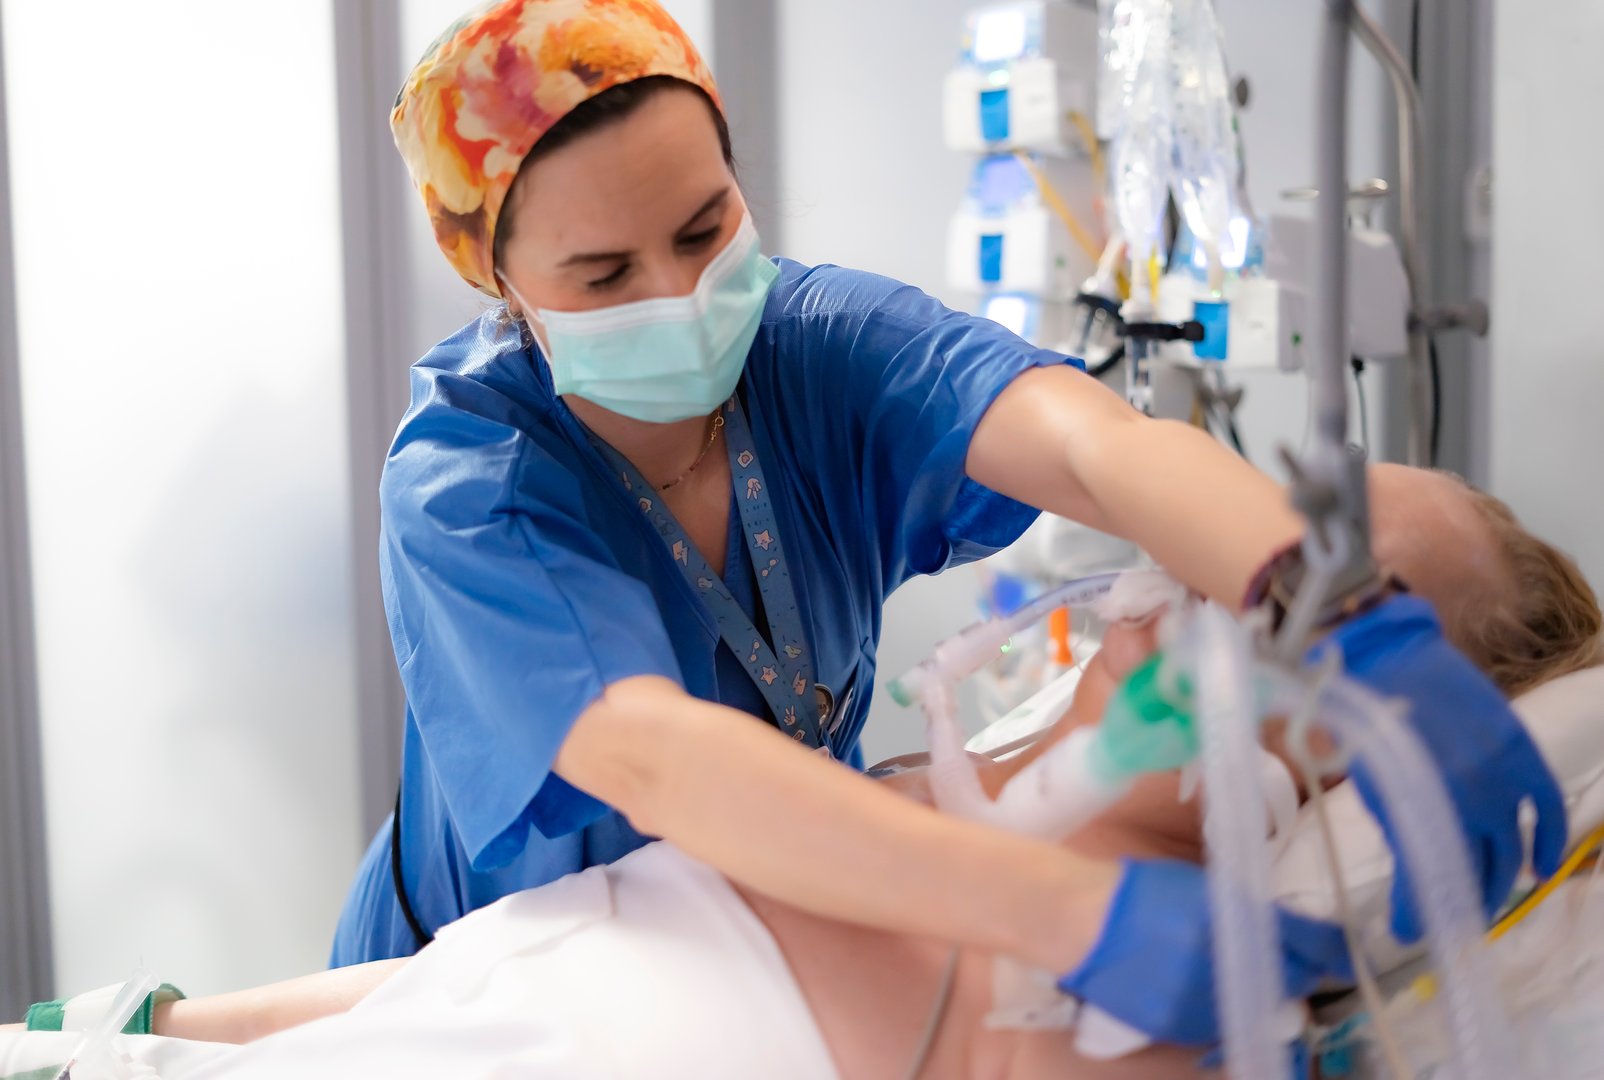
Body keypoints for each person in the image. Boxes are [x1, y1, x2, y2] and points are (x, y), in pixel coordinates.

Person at [335, 0, 1564, 1037]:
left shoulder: (815, 348)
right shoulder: (473, 479)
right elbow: (656, 759)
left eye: (706, 229)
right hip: (475, 981)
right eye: (603, 277)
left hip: (766, 956)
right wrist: (1065, 916)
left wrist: (1335, 605)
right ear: (498, 280)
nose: (681, 294)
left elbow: (1097, 446)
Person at [7, 465, 1597, 1079]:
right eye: (1246, 521)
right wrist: (145, 1031)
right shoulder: (894, 808)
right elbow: (484, 978)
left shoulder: (1138, 1002)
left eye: (1310, 590)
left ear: (1388, 746)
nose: (1210, 565)